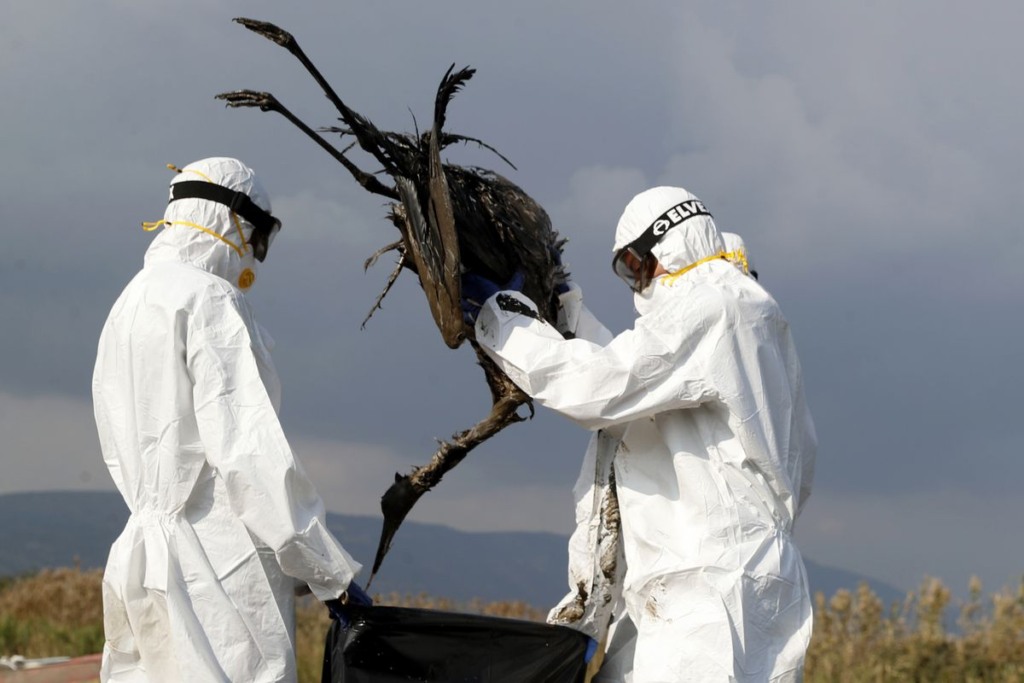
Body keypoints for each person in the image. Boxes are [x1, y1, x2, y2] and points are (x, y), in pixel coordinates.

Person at [462, 186, 817, 682]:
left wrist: (499, 317)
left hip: (710, 590)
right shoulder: (741, 314)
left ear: (666, 247)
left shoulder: (717, 304)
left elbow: (598, 387)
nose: (636, 283)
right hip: (694, 583)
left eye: (635, 265)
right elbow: (637, 389)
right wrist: (568, 312)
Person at [93, 157, 369, 682]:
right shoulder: (210, 298)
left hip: (138, 561)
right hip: (218, 571)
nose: (253, 255)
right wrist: (329, 572)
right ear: (231, 222)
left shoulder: (128, 303)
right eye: (255, 236)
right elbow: (248, 454)